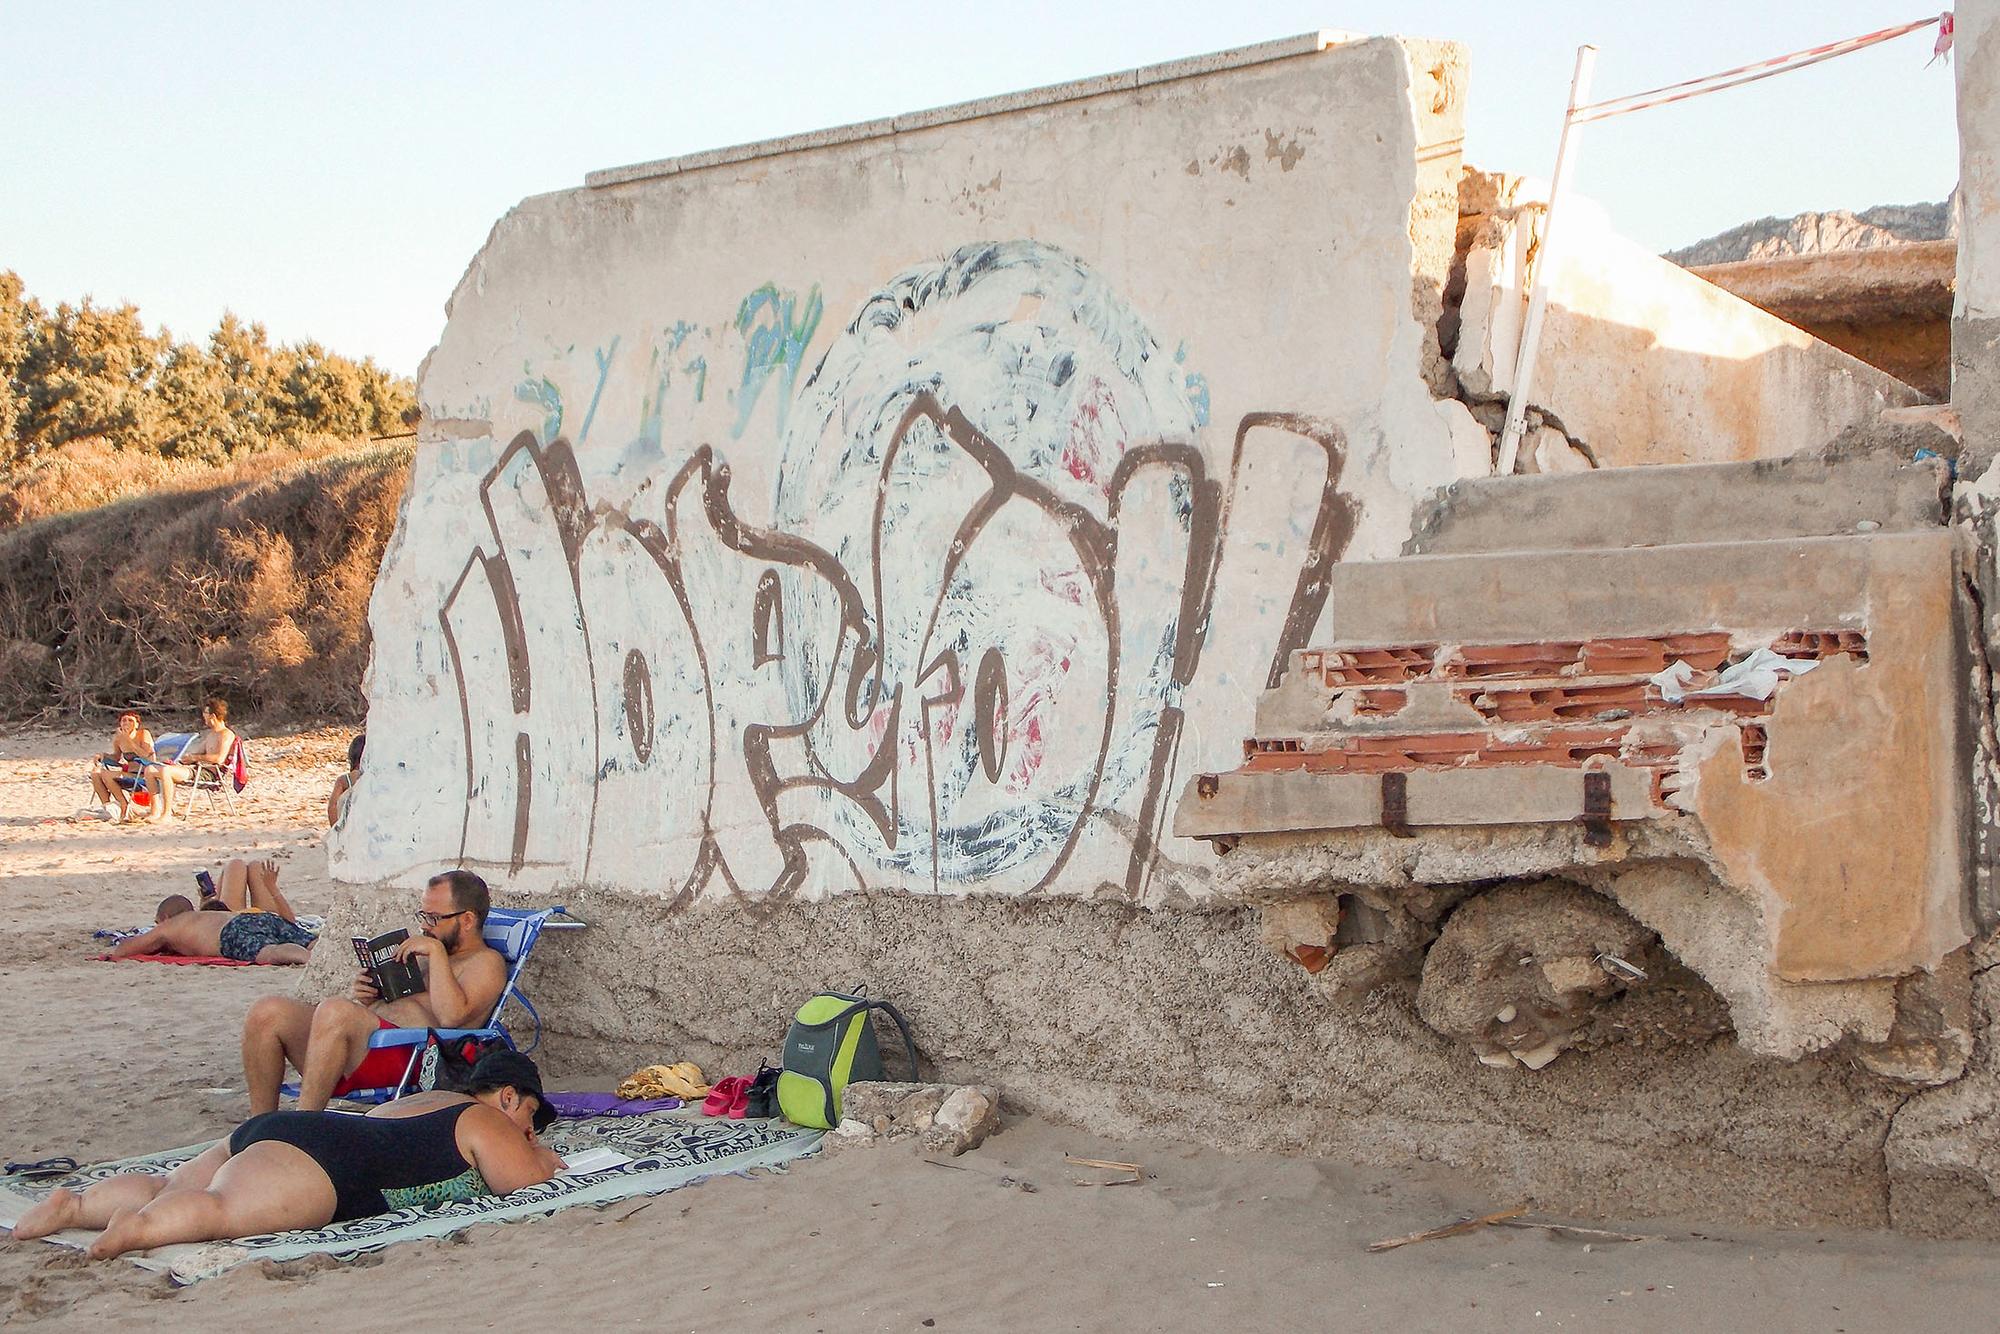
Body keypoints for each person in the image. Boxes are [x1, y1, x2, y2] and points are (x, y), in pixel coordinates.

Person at [9, 1049, 564, 1259]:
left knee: (171, 1184)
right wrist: (544, 1158)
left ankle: (77, 1205)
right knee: (220, 1211)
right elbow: (522, 1184)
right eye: (530, 1123)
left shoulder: (423, 1101)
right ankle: (139, 1230)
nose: (529, 1133)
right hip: (325, 1161)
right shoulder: (486, 1119)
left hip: (290, 1128)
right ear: (510, 1098)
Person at [241, 869, 507, 1114]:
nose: (425, 926)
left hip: (413, 1058)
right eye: (423, 916)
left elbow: (451, 1017)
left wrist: (435, 953)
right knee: (268, 1011)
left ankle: (304, 1127)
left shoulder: (485, 962)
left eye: (434, 918)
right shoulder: (434, 953)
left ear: (468, 920)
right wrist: (370, 996)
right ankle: (259, 1126)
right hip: (366, 1046)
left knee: (336, 1011)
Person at [111, 867, 316, 965]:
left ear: (164, 917)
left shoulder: (170, 926)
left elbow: (125, 949)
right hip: (255, 918)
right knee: (305, 939)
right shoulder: (204, 916)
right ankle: (320, 947)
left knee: (269, 951)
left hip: (230, 933)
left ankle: (306, 957)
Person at [141, 696, 237, 825]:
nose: (204, 718)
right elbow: (197, 753)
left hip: (209, 773)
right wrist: (187, 758)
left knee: (166, 772)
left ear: (213, 716)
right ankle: (155, 811)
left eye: (205, 714)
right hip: (197, 769)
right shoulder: (211, 734)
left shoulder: (226, 734)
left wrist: (196, 758)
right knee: (150, 769)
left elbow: (219, 759)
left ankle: (167, 814)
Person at [86, 711, 155, 821]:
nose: (127, 722)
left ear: (137, 724)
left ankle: (123, 805)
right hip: (130, 772)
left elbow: (145, 755)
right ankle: (107, 807)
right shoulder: (119, 739)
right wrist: (103, 755)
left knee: (107, 774)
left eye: (131, 720)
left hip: (145, 774)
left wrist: (127, 739)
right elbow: (116, 758)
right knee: (96, 772)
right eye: (124, 720)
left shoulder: (143, 734)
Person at [327, 732, 364, 827]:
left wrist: (335, 830)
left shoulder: (344, 780)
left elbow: (332, 806)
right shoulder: (375, 777)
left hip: (350, 829)